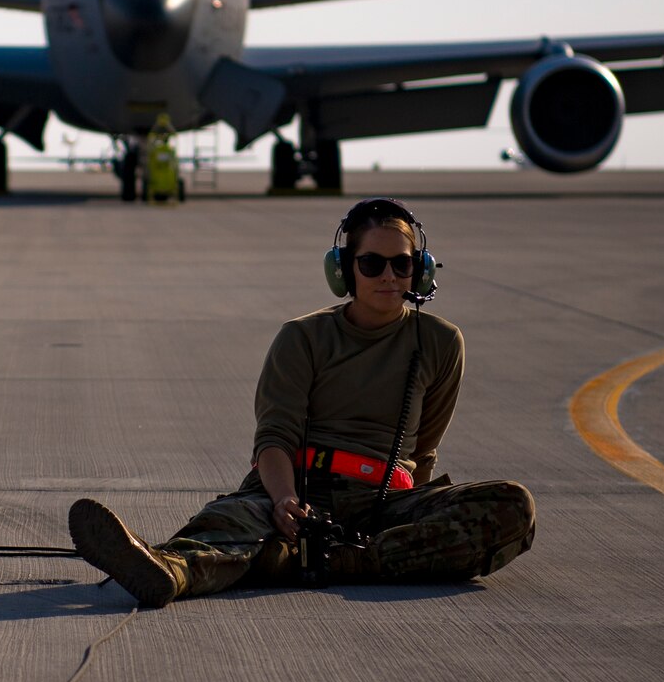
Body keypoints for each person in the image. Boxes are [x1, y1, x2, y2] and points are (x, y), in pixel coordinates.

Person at [68, 197, 536, 608]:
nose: (389, 276)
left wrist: (416, 522)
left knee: (511, 506)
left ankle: (319, 561)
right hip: (300, 488)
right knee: (229, 524)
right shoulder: (304, 337)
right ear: (345, 269)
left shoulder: (440, 342)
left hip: (386, 501)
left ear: (421, 268)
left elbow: (424, 450)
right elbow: (274, 436)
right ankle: (169, 572)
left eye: (403, 264)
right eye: (372, 264)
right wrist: (284, 499)